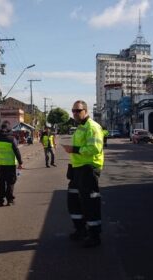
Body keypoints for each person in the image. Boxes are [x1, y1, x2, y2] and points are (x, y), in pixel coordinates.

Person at [62, 100, 104, 248]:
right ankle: (81, 230)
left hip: (88, 168)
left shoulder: (92, 127)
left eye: (78, 110)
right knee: (73, 199)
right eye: (73, 110)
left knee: (89, 201)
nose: (75, 113)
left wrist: (73, 149)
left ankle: (94, 235)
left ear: (85, 111)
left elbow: (95, 148)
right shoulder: (80, 127)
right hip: (77, 168)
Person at [0, 123, 23, 206]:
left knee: (1, 183)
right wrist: (20, 163)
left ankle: (0, 201)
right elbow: (16, 151)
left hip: (0, 164)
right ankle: (9, 200)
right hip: (10, 164)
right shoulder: (11, 138)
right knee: (10, 182)